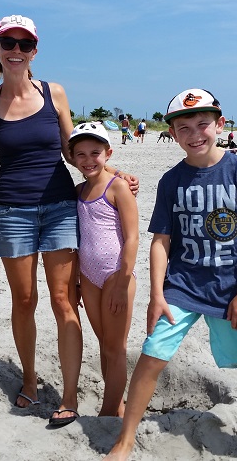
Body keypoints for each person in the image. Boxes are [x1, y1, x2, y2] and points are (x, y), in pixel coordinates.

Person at [0, 15, 137, 427]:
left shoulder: (54, 93)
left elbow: (75, 150)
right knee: (24, 301)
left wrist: (113, 175)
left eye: (24, 44)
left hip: (57, 207)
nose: (16, 51)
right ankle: (31, 380)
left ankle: (68, 395)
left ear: (34, 51)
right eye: (8, 43)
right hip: (12, 212)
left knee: (61, 299)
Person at [105, 88, 237, 461]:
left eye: (202, 125)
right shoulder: (171, 181)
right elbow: (161, 241)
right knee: (151, 356)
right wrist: (157, 294)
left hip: (231, 290)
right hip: (182, 286)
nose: (195, 134)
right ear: (173, 133)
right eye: (184, 128)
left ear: (219, 125)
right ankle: (125, 440)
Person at [68, 122, 137, 417]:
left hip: (115, 275)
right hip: (89, 277)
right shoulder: (78, 190)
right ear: (72, 158)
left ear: (108, 153)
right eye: (80, 154)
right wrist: (80, 282)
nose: (88, 160)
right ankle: (117, 406)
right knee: (104, 344)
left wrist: (122, 282)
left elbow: (133, 237)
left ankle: (108, 414)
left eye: (95, 152)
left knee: (116, 348)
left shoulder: (118, 186)